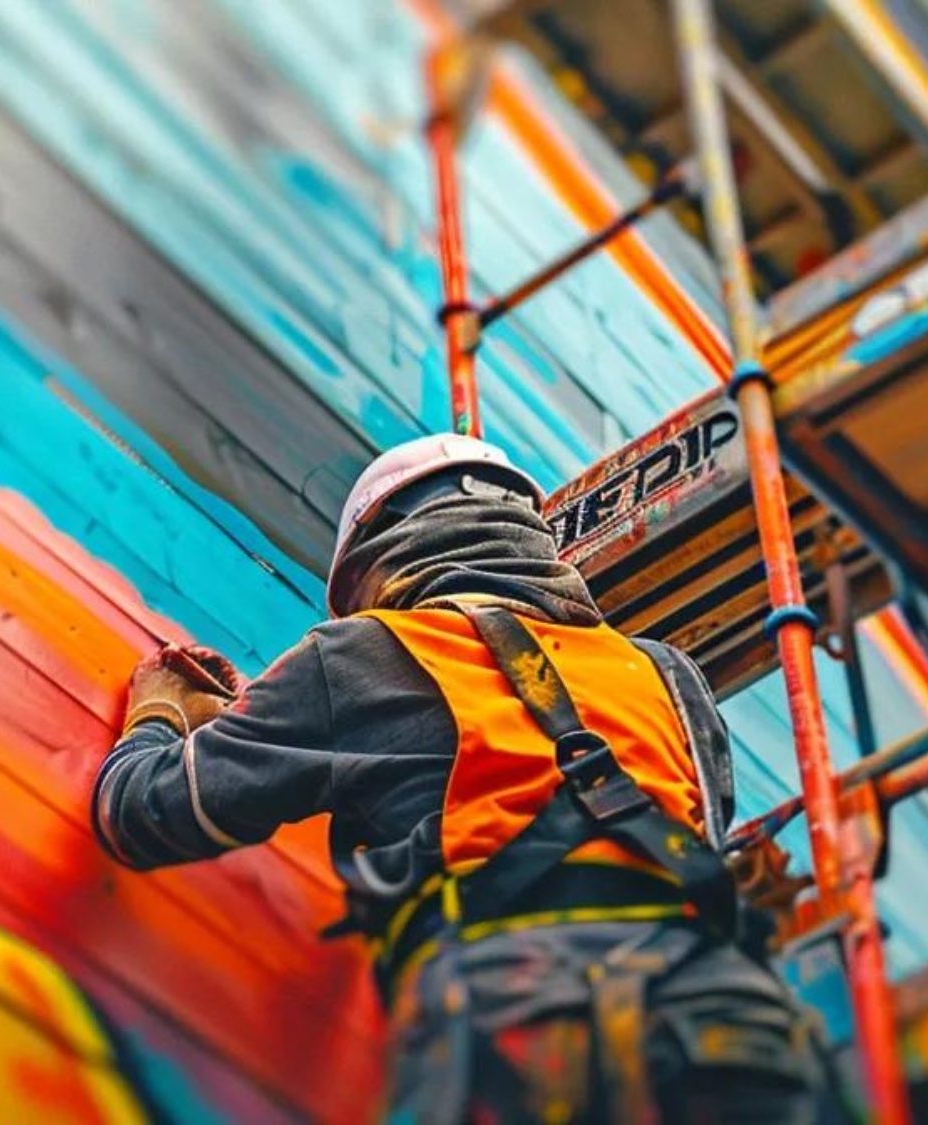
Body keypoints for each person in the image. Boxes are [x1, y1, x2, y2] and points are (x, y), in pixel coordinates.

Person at [90, 433, 827, 1123]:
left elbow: (142, 813)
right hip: (731, 1018)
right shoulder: (667, 673)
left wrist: (159, 711)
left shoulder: (362, 655)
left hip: (522, 1017)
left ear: (374, 565)